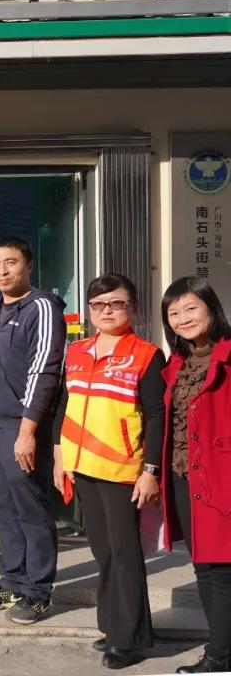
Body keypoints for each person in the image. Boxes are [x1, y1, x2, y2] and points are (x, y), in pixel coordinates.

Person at [52, 273, 165, 670]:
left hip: (122, 469)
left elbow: (156, 415)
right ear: (89, 309)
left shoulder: (146, 355)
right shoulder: (77, 350)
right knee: (102, 551)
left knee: (124, 552)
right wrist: (59, 455)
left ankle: (128, 640)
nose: (107, 311)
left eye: (117, 303)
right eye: (98, 304)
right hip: (82, 465)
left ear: (132, 307)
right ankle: (113, 626)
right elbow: (64, 404)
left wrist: (151, 470)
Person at [0, 236, 65, 625]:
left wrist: (27, 432)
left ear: (28, 265)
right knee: (2, 508)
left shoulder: (41, 307)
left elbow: (44, 371)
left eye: (10, 262)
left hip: (20, 425)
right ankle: (12, 581)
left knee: (31, 508)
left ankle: (38, 592)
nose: (2, 270)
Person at [159, 277, 231, 674]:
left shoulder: (229, 356)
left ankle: (219, 656)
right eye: (174, 313)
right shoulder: (175, 364)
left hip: (222, 477)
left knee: (222, 570)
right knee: (204, 565)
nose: (182, 319)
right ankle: (221, 651)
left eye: (191, 308)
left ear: (211, 308)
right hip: (184, 478)